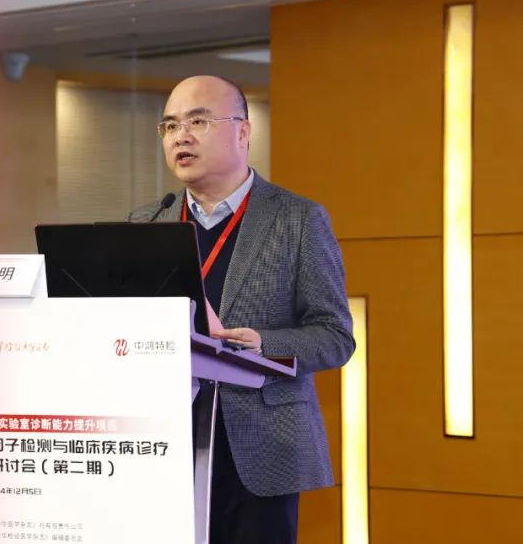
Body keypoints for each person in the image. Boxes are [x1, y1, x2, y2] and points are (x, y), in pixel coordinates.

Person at [128, 75, 355, 543]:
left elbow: (335, 336)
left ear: (244, 132)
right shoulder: (148, 223)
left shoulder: (297, 218)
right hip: (162, 442)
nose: (181, 136)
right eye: (170, 126)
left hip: (261, 446)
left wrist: (262, 344)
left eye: (198, 122)